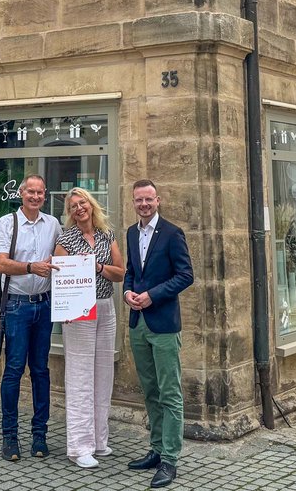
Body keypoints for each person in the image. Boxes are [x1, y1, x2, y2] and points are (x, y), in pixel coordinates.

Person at [123, 179, 194, 489]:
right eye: (139, 200)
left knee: (170, 393)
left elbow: (186, 276)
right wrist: (127, 292)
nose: (144, 204)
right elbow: (130, 271)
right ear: (134, 202)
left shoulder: (172, 233)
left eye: (148, 199)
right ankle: (155, 449)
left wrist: (152, 295)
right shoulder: (130, 232)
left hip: (163, 324)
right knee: (150, 391)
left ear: (158, 200)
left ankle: (170, 459)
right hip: (138, 323)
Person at [0, 174, 60, 462]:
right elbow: (0, 263)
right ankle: (10, 437)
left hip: (44, 307)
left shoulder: (53, 224)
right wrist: (32, 267)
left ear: (45, 195)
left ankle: (40, 436)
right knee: (14, 370)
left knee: (41, 371)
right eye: (30, 191)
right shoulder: (7, 223)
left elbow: (64, 258)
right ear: (22, 194)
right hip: (17, 307)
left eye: (40, 192)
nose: (35, 196)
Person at [53, 187, 124, 468]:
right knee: (80, 375)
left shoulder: (108, 235)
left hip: (105, 306)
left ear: (92, 205)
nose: (79, 208)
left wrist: (98, 267)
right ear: (69, 212)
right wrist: (64, 309)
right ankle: (79, 446)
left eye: (82, 203)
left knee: (103, 375)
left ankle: (99, 440)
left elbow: (120, 272)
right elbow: (58, 277)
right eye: (73, 206)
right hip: (79, 310)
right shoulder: (66, 239)